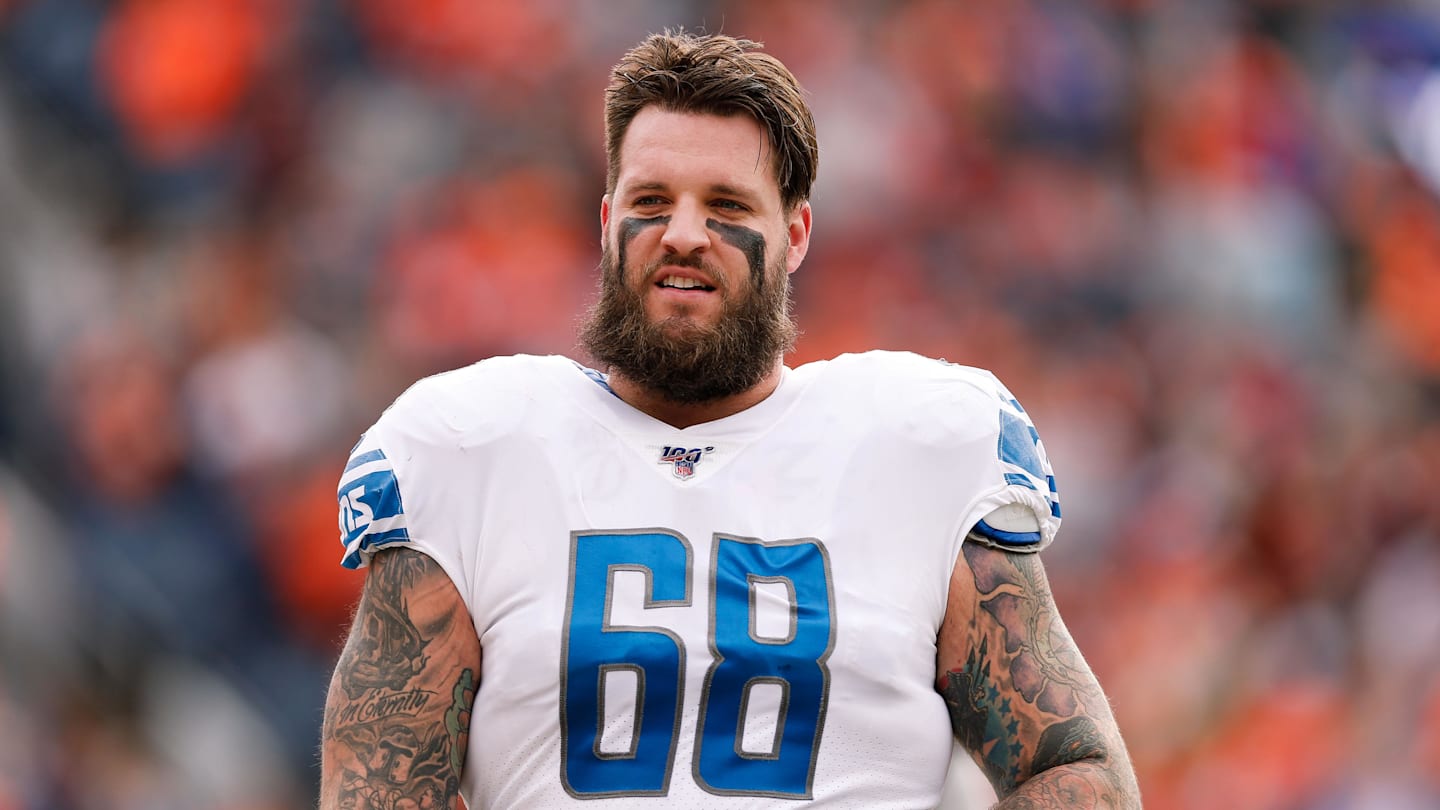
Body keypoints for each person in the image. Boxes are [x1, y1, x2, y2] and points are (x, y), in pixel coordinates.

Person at [319, 30, 1141, 809]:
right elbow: (380, 785)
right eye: (651, 199)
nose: (683, 234)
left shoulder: (921, 447)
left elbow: (1070, 764)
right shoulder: (471, 448)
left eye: (725, 205)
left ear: (795, 235)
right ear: (607, 225)